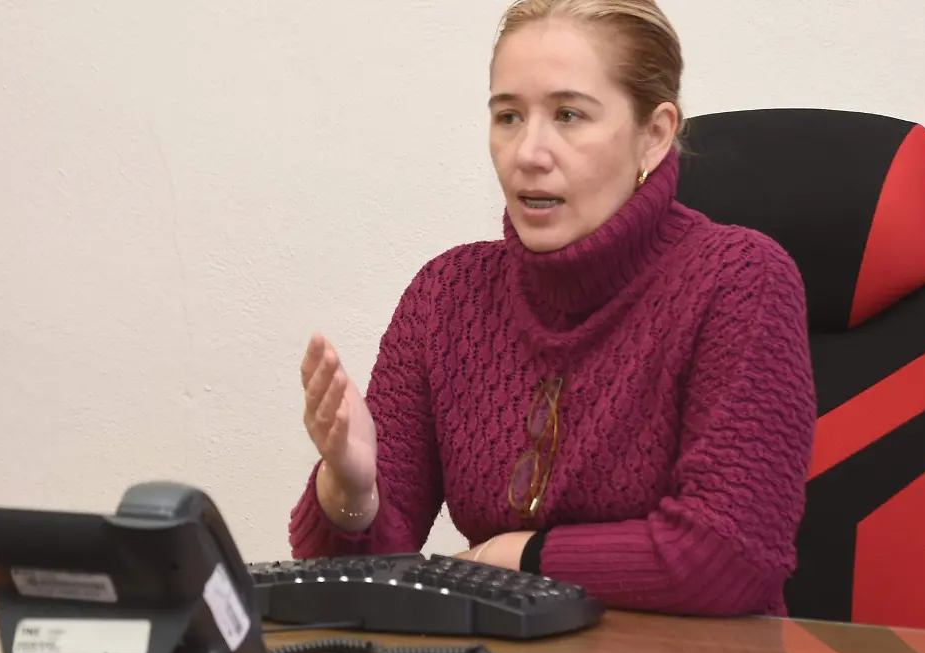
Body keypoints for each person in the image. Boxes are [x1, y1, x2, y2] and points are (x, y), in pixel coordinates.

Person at [288, 0, 816, 618]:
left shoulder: (739, 279)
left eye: (569, 115)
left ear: (654, 135)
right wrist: (351, 490)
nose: (528, 153)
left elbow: (729, 558)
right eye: (508, 116)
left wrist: (512, 557)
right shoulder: (447, 295)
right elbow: (358, 583)